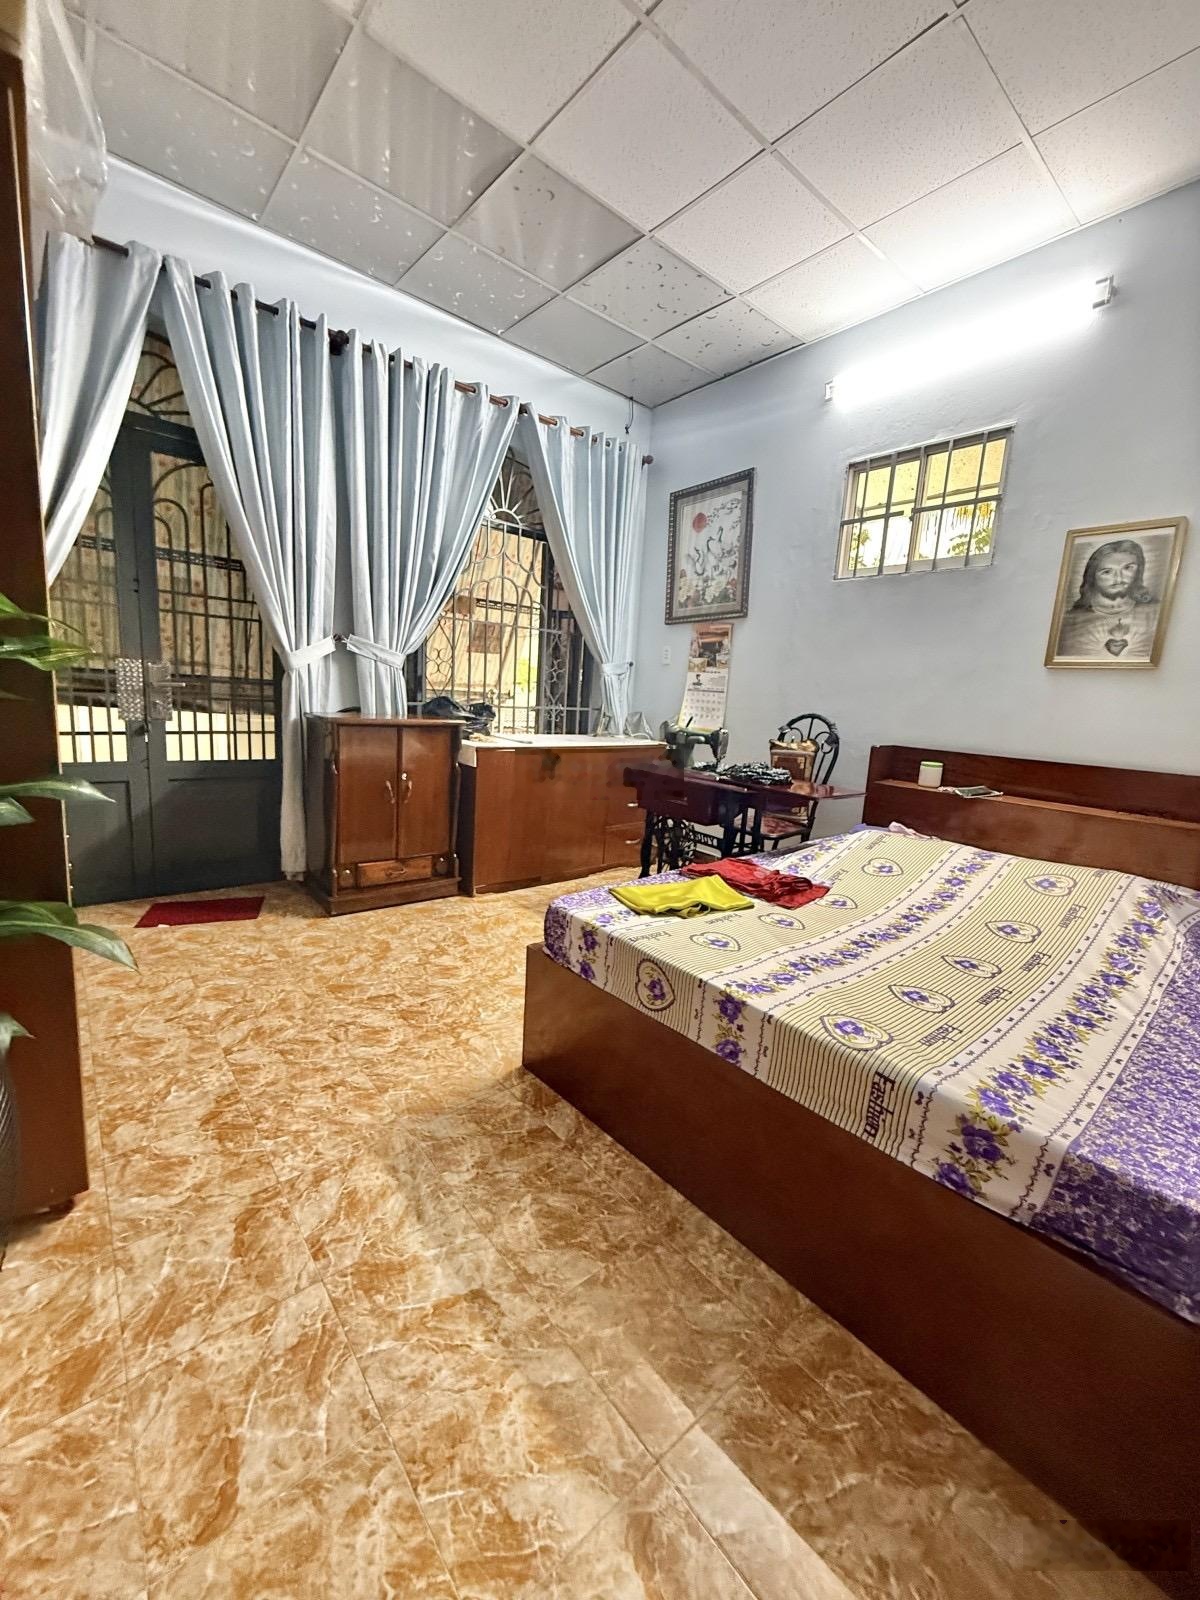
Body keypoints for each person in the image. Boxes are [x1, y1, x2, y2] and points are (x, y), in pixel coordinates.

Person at [1054, 537, 1160, 660]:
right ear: (1091, 576)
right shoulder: (1069, 622)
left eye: (1127, 568)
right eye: (1107, 572)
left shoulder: (1156, 613)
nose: (1119, 578)